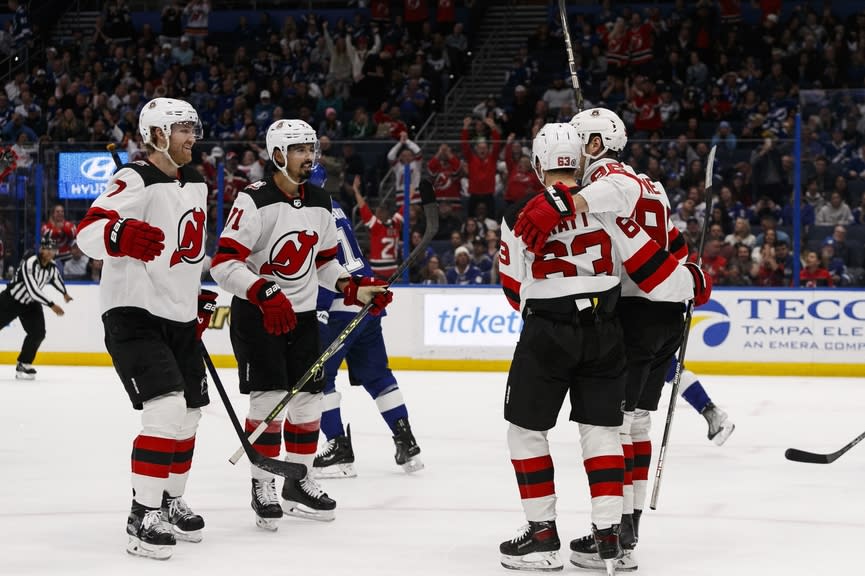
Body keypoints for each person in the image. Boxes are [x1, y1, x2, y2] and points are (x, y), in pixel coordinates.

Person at [517, 108, 724, 571]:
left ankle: (620, 535)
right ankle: (627, 527)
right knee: (639, 424)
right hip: (667, 315)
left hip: (634, 310)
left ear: (593, 144)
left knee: (617, 428)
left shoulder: (609, 181)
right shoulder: (653, 183)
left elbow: (611, 198)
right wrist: (690, 278)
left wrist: (558, 203)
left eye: (579, 139)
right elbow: (674, 243)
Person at [209, 119, 392, 530]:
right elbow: (223, 264)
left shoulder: (320, 200)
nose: (309, 157)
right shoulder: (253, 200)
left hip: (303, 317)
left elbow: (323, 262)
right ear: (277, 155)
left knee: (310, 401)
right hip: (259, 318)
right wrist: (262, 292)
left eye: (312, 149)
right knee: (268, 402)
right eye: (299, 150)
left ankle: (299, 480)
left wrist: (353, 289)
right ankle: (264, 485)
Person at [77, 97, 214, 560]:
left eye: (193, 129)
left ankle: (171, 501)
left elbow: (188, 248)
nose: (191, 137)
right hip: (132, 311)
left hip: (178, 315)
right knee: (166, 407)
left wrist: (199, 293)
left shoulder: (196, 182)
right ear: (156, 135)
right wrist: (117, 235)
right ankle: (143, 514)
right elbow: (88, 231)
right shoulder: (133, 177)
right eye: (182, 130)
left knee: (191, 412)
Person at [307, 167, 423, 479]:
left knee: (319, 381)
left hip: (336, 304)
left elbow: (318, 265)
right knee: (379, 377)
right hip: (365, 299)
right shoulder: (336, 208)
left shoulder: (308, 211)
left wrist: (318, 310)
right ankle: (406, 441)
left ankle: (338, 449)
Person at [0, 233, 71, 380]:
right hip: (11, 300)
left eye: (54, 249)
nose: (52, 252)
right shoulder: (30, 263)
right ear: (42, 250)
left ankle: (24, 363)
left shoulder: (52, 266)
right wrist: (52, 305)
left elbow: (56, 279)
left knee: (38, 333)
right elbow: (32, 289)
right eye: (49, 249)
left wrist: (64, 293)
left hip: (31, 304)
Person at [40, 204, 77, 270]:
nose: (60, 213)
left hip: (67, 257)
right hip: (51, 257)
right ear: (53, 214)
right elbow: (46, 234)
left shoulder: (69, 225)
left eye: (62, 211)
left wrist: (63, 227)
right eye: (57, 212)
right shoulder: (46, 226)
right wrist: (58, 229)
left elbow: (72, 233)